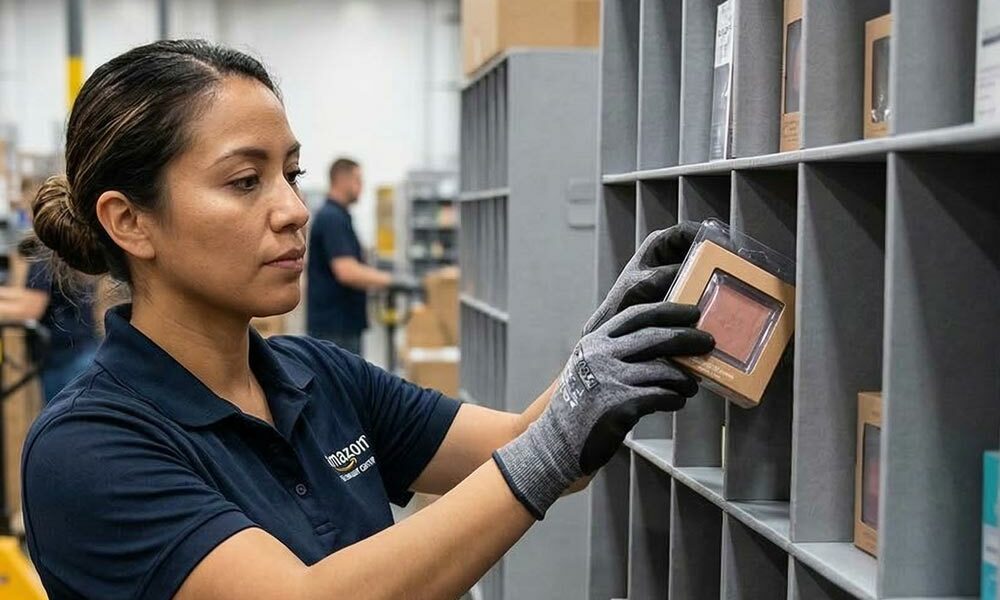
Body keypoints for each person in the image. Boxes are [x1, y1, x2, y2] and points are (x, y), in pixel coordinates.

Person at [20, 40, 714, 600]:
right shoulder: (87, 447)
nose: (293, 209)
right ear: (130, 221)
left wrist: (601, 348)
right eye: (244, 180)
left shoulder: (318, 376)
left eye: (291, 174)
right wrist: (554, 439)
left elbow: (523, 445)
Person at [0, 179, 99, 403]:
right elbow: (34, 297)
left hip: (66, 359)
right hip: (81, 349)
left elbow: (31, 308)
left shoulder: (46, 255)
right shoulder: (63, 245)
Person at [307, 158, 399, 355]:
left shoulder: (339, 216)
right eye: (358, 180)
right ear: (342, 180)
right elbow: (347, 271)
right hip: (334, 330)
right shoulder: (332, 218)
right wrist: (391, 281)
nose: (361, 186)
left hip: (341, 326)